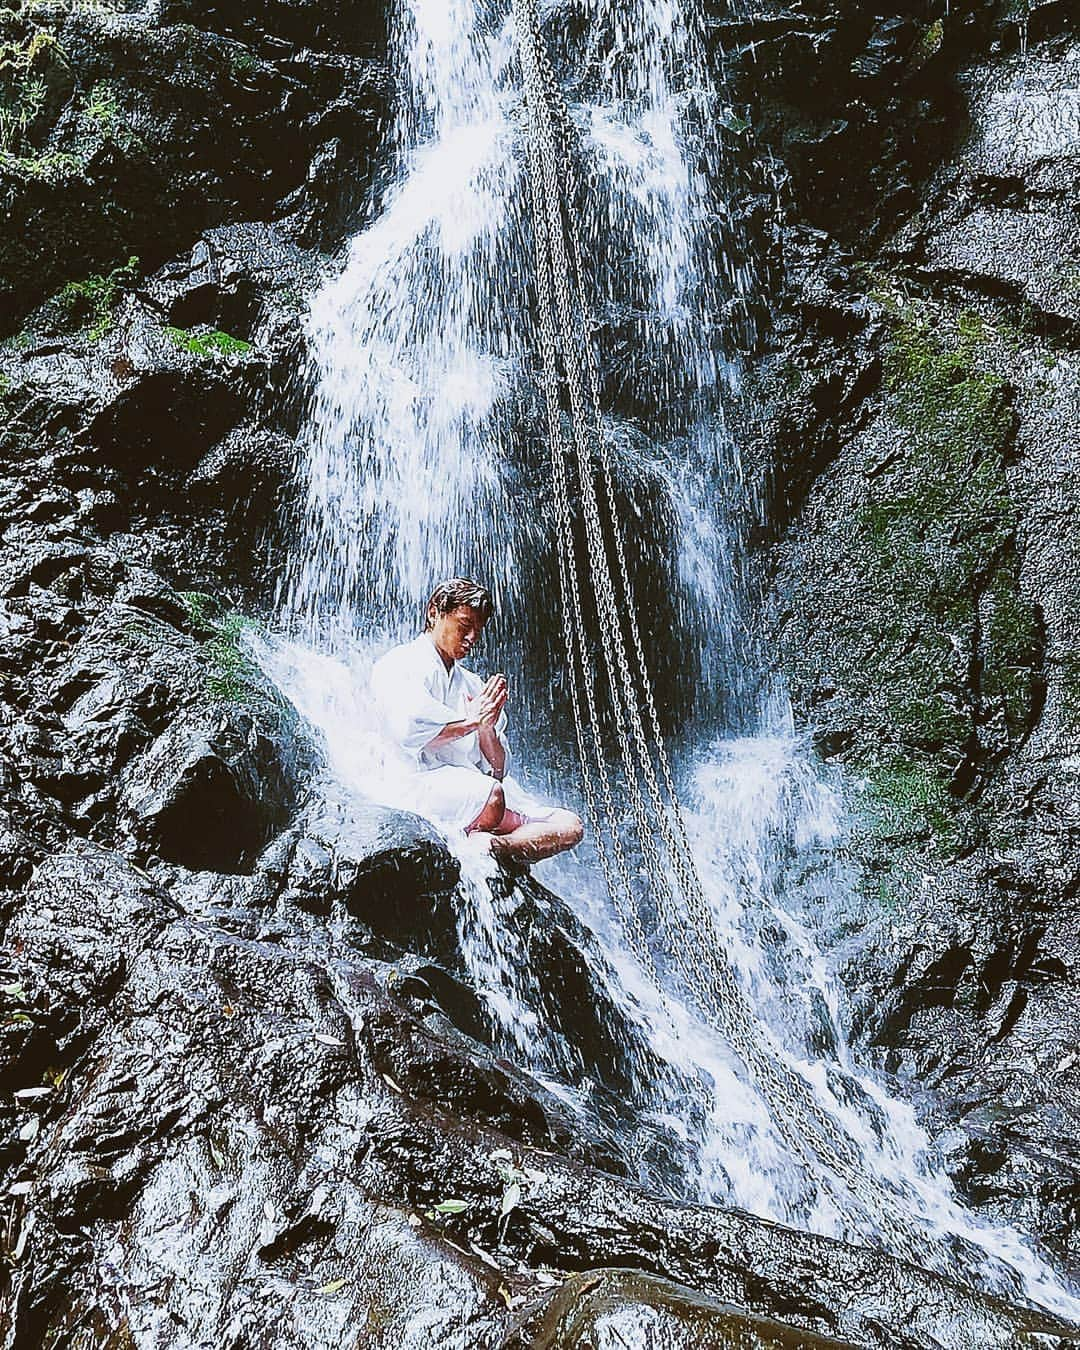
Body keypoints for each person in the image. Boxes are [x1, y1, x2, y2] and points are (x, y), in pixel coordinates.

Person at [370, 578, 584, 863]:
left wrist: (485, 729)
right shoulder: (399, 664)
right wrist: (471, 721)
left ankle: (494, 846)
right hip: (415, 785)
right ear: (434, 613)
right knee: (493, 796)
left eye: (478, 630)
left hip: (477, 793)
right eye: (464, 625)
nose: (472, 638)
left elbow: (498, 769)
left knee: (570, 826)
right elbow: (407, 732)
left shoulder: (472, 684)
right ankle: (485, 837)